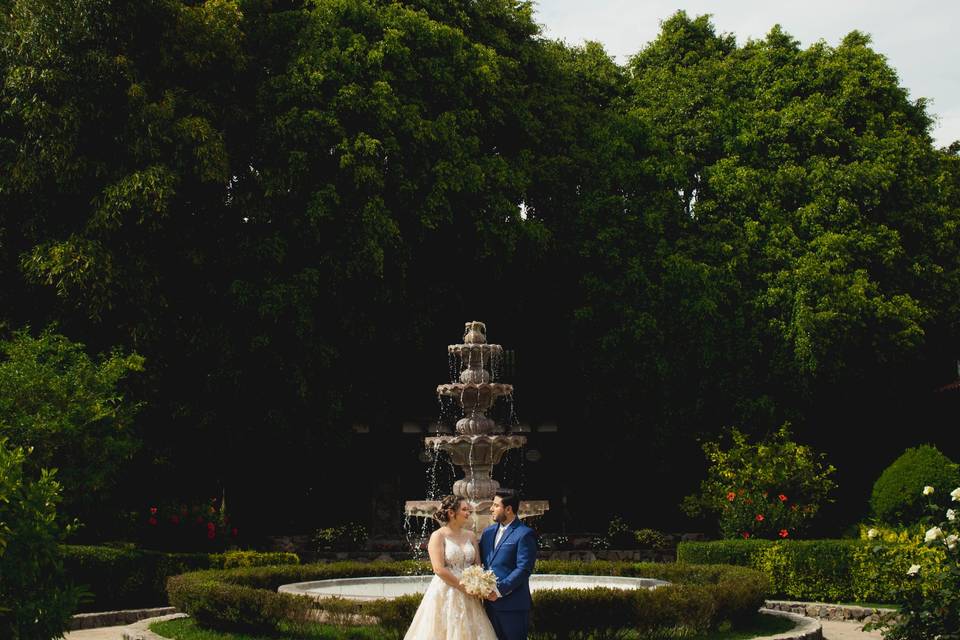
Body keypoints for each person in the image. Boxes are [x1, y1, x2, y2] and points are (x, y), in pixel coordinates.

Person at [404, 495, 498, 640]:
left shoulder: (471, 536)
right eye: (464, 509)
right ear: (451, 513)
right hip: (447, 589)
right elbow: (439, 569)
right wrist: (463, 586)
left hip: (470, 592)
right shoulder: (438, 536)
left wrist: (480, 585)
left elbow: (478, 565)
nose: (468, 513)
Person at [479, 489, 537, 640]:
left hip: (513, 607)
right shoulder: (487, 533)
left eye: (495, 505)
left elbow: (524, 569)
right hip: (488, 607)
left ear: (509, 509)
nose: (491, 508)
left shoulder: (524, 534)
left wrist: (499, 590)